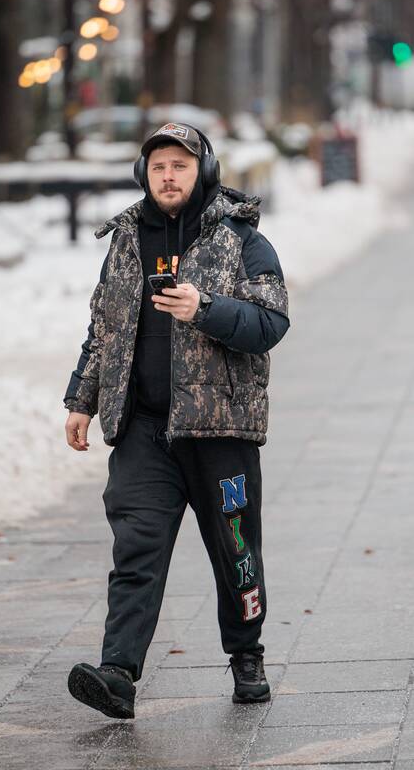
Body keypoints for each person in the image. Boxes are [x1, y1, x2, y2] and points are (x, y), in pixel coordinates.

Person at [63, 122, 290, 719]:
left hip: (220, 430)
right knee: (135, 547)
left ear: (203, 171)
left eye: (180, 166)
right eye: (158, 166)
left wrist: (204, 308)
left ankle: (247, 655)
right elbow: (104, 328)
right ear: (144, 174)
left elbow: (271, 323)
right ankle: (117, 673)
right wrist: (82, 399)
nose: (167, 177)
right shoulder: (125, 240)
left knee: (236, 552)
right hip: (144, 427)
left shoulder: (240, 239)